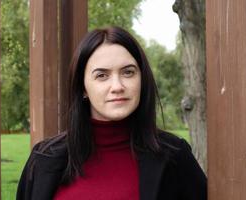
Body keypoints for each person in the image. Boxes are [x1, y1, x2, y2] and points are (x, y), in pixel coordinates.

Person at [16, 26, 207, 200]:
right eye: (102, 76)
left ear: (142, 79)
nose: (117, 86)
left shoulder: (175, 157)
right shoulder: (43, 159)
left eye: (128, 72)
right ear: (83, 87)